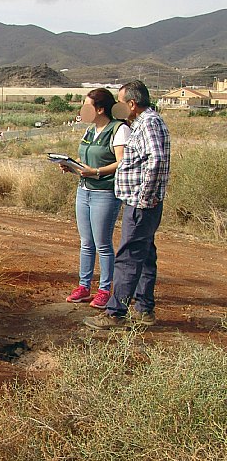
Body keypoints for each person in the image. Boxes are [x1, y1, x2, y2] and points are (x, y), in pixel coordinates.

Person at [84, 80, 170, 330]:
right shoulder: (143, 123)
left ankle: (115, 313)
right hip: (141, 201)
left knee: (129, 255)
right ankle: (144, 309)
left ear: (132, 104)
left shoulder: (149, 123)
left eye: (120, 103)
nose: (117, 107)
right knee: (144, 254)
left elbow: (157, 160)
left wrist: (145, 196)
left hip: (142, 203)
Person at [63, 88, 130, 308]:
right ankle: (84, 286)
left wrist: (97, 172)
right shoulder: (91, 131)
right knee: (86, 242)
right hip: (84, 190)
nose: (83, 110)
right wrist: (72, 168)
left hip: (105, 193)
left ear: (100, 108)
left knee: (102, 244)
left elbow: (122, 162)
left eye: (87, 105)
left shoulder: (118, 130)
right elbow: (86, 161)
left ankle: (104, 289)